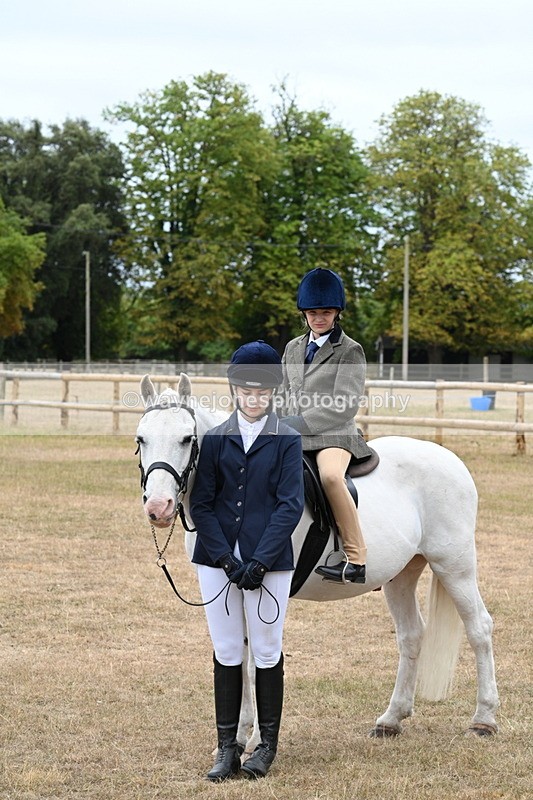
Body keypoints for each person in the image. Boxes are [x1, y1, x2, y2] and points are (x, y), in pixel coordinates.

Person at [189, 341, 304, 782]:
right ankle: (226, 746)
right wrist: (223, 557)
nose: (253, 399)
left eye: (261, 392)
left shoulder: (287, 439)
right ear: (234, 390)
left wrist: (257, 561)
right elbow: (202, 504)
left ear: (272, 393)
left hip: (268, 564)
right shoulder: (216, 438)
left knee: (266, 650)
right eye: (245, 391)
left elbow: (289, 506)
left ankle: (266, 745)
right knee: (225, 650)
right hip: (217, 562)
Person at [281, 267, 371, 584]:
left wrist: (299, 422)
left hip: (334, 435)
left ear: (336, 313)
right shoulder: (293, 348)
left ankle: (356, 560)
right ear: (304, 313)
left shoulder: (350, 350)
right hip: (292, 431)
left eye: (326, 312)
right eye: (313, 312)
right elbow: (283, 391)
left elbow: (345, 404)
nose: (319, 318)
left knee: (331, 477)